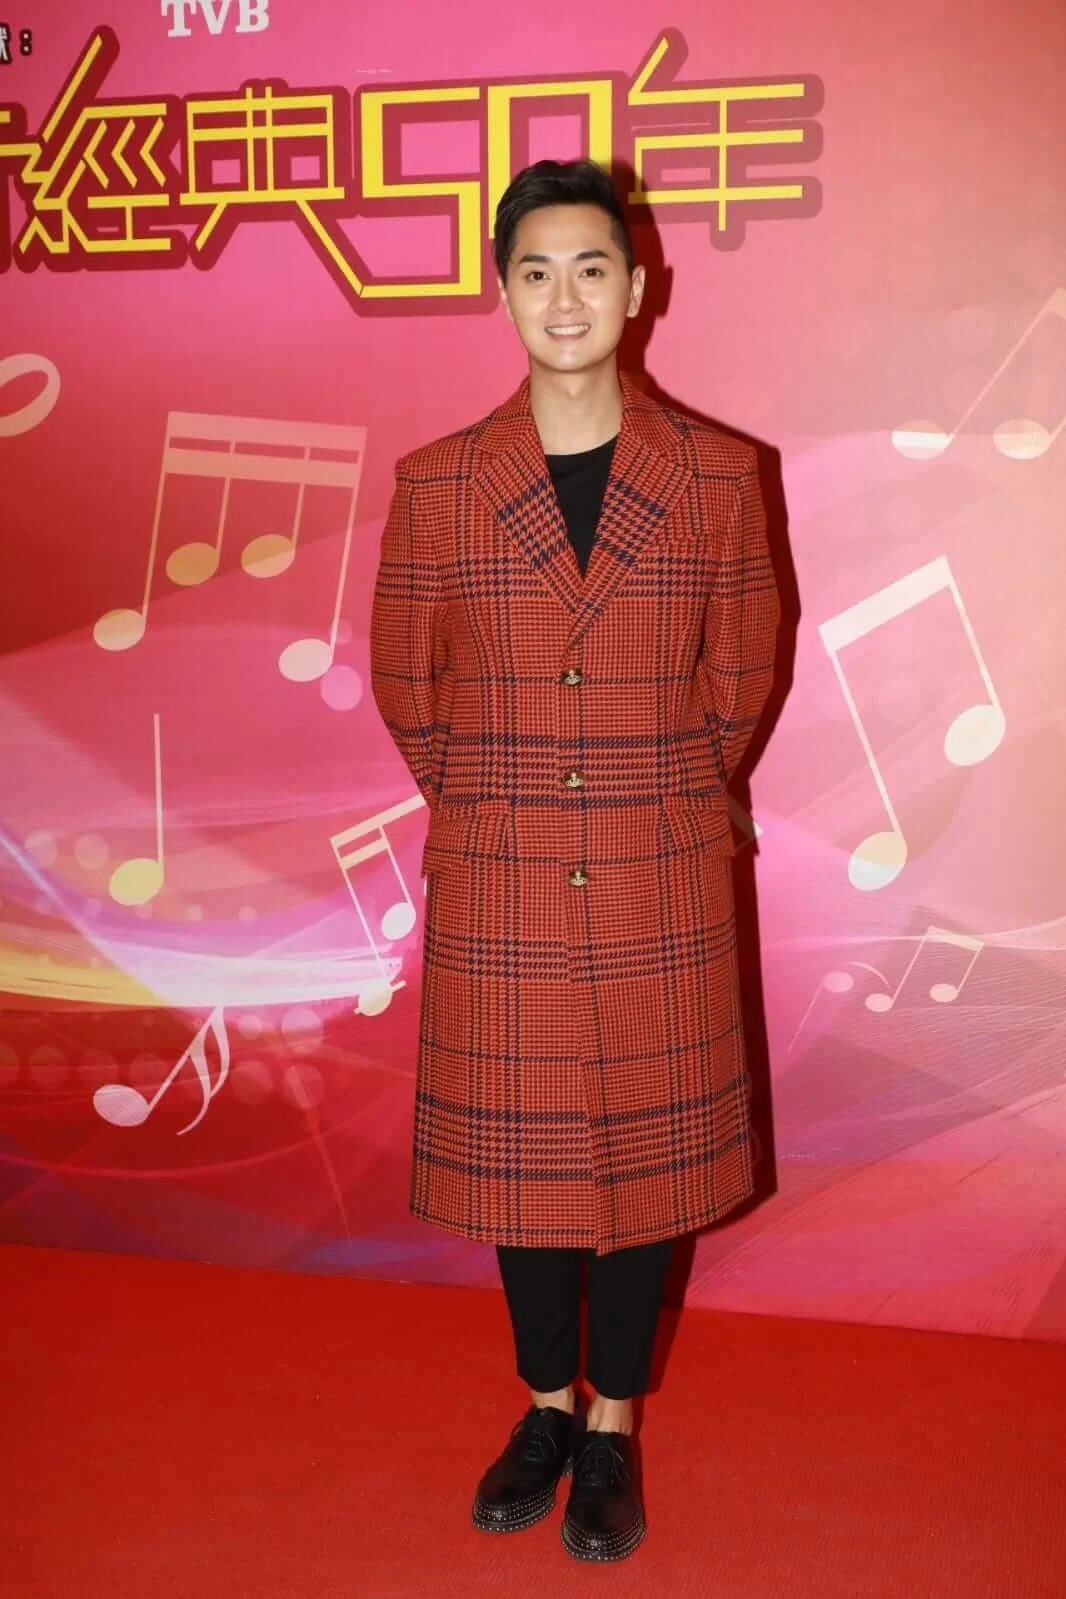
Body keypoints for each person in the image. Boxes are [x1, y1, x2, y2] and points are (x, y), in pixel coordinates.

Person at [370, 158, 780, 1562]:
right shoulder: (439, 483)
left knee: (649, 1161)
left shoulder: (718, 474)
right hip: (503, 864)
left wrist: (653, 792)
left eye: (591, 267)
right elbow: (406, 681)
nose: (565, 296)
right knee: (523, 1160)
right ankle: (544, 1407)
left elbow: (742, 672)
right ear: (503, 291)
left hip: (660, 859)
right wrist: (498, 802)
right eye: (536, 270)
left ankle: (612, 1427)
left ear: (637, 286)